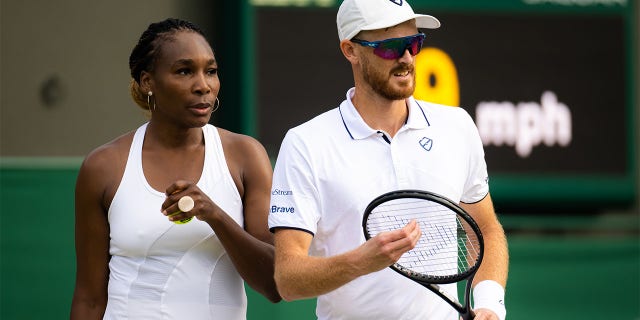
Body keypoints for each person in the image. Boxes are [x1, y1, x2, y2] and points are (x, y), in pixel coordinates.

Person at [268, 0, 509, 319]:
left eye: (413, 43)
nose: (406, 58)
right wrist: (361, 261)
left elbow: (486, 228)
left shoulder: (457, 126)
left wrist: (490, 304)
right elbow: (288, 279)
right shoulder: (305, 144)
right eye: (390, 47)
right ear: (350, 50)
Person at [70, 18, 280, 320]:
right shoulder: (103, 167)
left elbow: (276, 283)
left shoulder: (245, 155)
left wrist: (214, 214)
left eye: (210, 71)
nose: (203, 86)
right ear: (147, 82)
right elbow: (89, 298)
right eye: (184, 71)